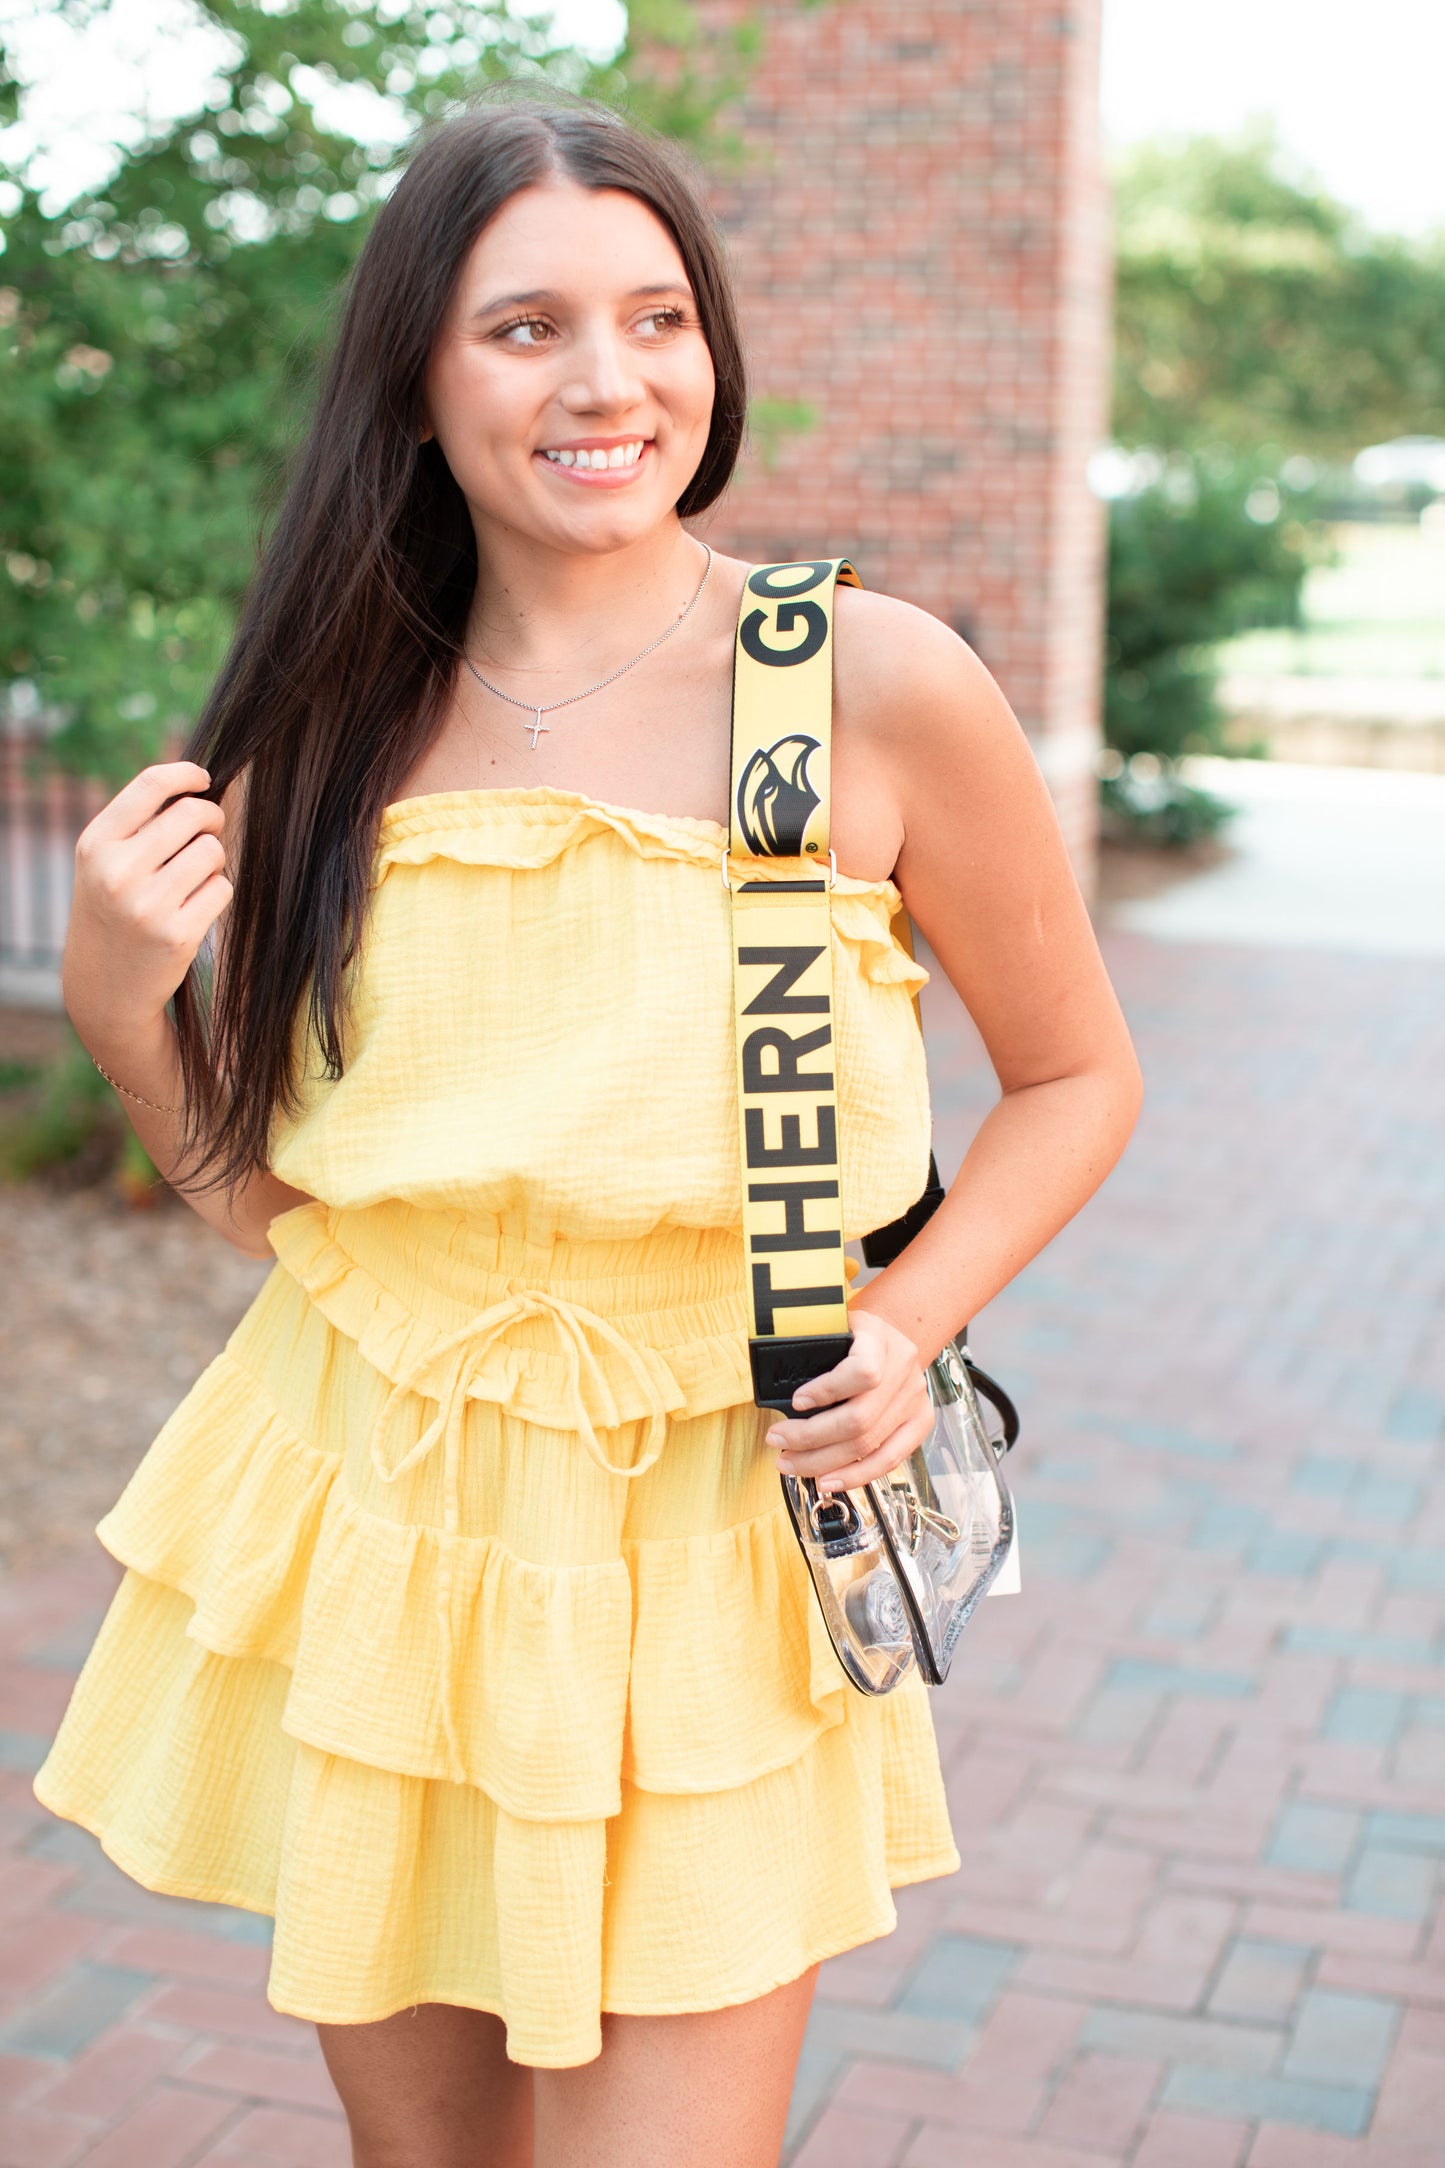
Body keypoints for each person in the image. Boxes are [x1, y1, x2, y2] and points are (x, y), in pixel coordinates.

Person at [34, 92, 1142, 2168]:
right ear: (420, 373)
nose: (609, 380)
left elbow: (1080, 1075)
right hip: (389, 1523)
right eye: (527, 327)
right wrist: (123, 1012)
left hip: (709, 1534)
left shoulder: (861, 685)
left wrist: (906, 1323)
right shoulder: (321, 723)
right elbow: (282, 1214)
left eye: (657, 318)